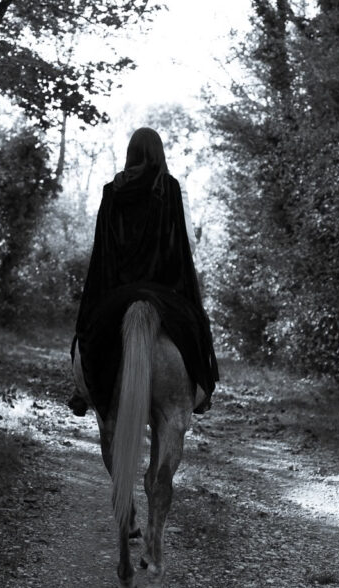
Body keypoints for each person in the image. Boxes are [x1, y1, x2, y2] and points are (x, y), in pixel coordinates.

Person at [69, 127, 218, 419]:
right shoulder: (170, 188)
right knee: (198, 326)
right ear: (159, 154)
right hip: (162, 288)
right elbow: (184, 244)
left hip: (117, 289)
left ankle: (81, 391)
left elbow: (103, 248)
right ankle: (202, 392)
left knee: (86, 329)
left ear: (130, 153)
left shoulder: (111, 191)